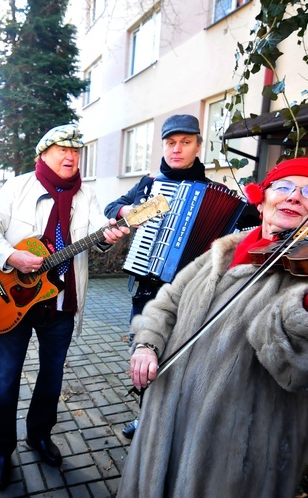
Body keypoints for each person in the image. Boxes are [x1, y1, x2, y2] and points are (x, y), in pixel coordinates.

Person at [117, 157, 308, 497]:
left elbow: (297, 370)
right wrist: (147, 343)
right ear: (261, 198)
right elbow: (168, 301)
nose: (295, 197)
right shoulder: (224, 249)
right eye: (284, 187)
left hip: (233, 453)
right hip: (164, 424)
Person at [0, 123, 130, 490]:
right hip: (16, 301)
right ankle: (0, 450)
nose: (71, 156)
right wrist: (12, 255)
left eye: (76, 150)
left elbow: (95, 238)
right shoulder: (18, 187)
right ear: (44, 154)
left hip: (60, 302)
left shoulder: (85, 195)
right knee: (6, 378)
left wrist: (109, 237)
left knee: (52, 376)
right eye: (63, 148)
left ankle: (39, 435)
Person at [104, 114, 209, 439]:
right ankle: (146, 417)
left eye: (185, 142)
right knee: (145, 355)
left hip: (191, 292)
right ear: (163, 146)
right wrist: (130, 211)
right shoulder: (149, 185)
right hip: (148, 290)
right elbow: (112, 207)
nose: (177, 149)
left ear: (197, 146)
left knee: (183, 360)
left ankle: (174, 423)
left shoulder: (213, 193)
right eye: (170, 143)